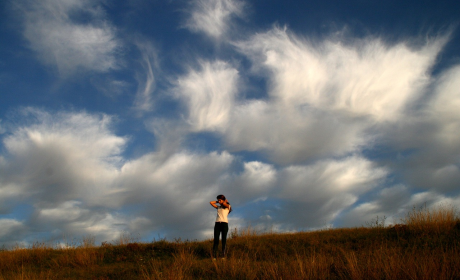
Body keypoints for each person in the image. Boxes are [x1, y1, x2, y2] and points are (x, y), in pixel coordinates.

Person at [210, 194, 231, 260]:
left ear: (223, 200)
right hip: (217, 224)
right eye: (218, 200)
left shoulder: (228, 206)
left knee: (223, 240)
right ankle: (214, 256)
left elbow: (225, 205)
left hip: (224, 224)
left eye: (220, 200)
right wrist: (218, 201)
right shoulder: (218, 207)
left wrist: (224, 202)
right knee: (216, 240)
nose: (219, 201)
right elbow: (211, 202)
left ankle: (223, 255)